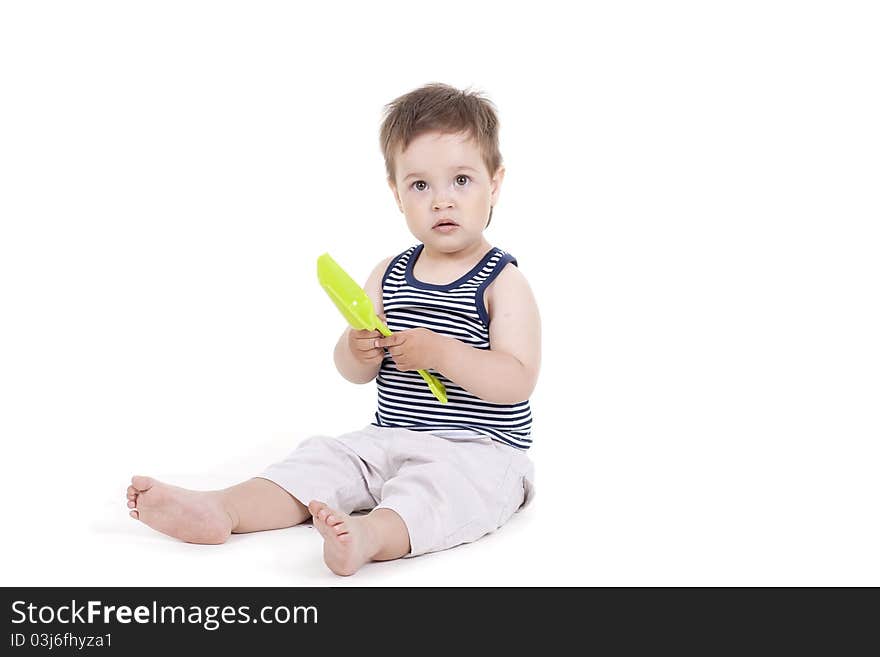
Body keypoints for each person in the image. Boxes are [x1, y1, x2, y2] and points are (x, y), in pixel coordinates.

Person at [126, 82, 541, 576]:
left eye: (462, 181)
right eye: (420, 185)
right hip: (387, 437)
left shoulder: (502, 280)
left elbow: (518, 380)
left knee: (442, 492)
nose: (441, 201)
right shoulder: (388, 273)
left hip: (478, 450)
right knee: (323, 458)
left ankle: (370, 535)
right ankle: (227, 508)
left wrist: (444, 354)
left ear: (495, 184)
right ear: (397, 194)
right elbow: (352, 371)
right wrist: (357, 348)